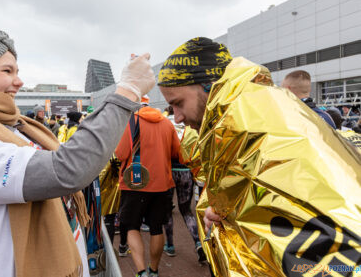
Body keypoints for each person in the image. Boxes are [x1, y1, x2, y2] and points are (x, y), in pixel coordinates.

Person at [0, 27, 155, 277]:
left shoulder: (14, 127)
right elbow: (65, 170)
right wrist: (127, 92)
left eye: (17, 71)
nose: (19, 81)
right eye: (7, 71)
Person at [158, 37, 361, 276]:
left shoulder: (251, 121)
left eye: (178, 103)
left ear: (209, 86)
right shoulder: (236, 121)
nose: (178, 117)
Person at [116, 96, 180, 277]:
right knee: (156, 227)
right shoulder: (167, 123)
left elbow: (120, 153)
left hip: (134, 183)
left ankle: (141, 272)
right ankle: (154, 270)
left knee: (131, 226)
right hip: (161, 183)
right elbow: (176, 151)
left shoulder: (132, 122)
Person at [162, 106, 206, 264]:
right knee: (186, 211)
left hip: (168, 171)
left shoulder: (164, 123)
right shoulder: (190, 128)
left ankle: (170, 245)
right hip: (186, 171)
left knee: (167, 211)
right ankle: (198, 242)